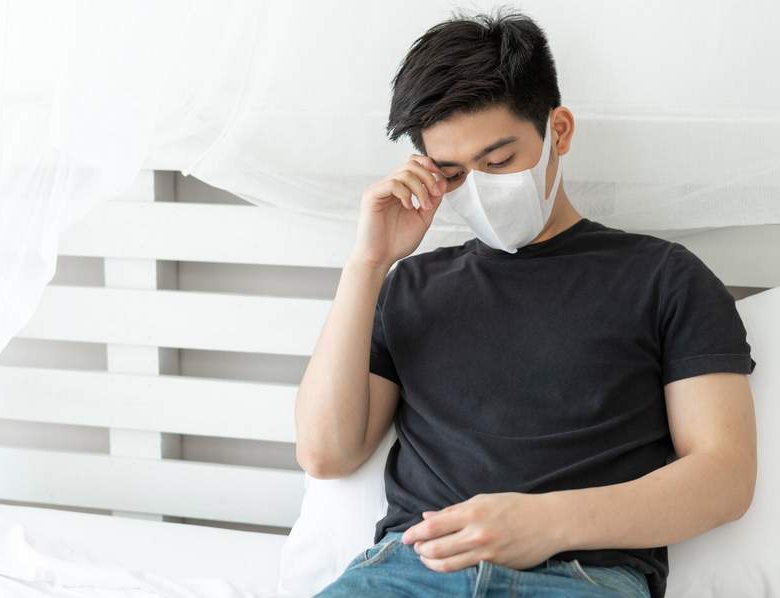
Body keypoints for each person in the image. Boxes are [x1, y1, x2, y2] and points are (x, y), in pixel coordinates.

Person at [295, 6, 757, 598]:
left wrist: (543, 523)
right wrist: (368, 264)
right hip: (407, 574)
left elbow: (724, 478)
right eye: (453, 174)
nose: (481, 187)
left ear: (557, 130)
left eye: (498, 161)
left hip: (580, 579)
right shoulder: (410, 285)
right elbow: (326, 454)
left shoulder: (664, 278)